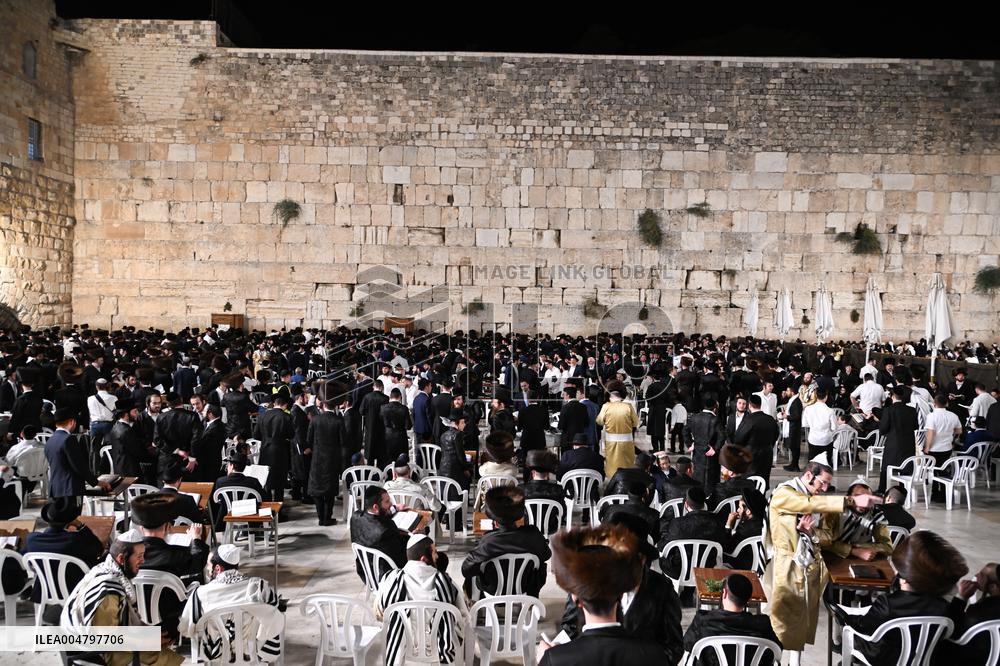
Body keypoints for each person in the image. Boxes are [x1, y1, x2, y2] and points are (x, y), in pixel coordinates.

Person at [767, 456, 881, 665]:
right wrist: (851, 501)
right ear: (808, 475)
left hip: (809, 563)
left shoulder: (815, 497)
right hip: (786, 565)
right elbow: (807, 504)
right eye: (823, 482)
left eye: (828, 484)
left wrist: (811, 533)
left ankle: (795, 662)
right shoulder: (785, 493)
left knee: (802, 620)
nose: (825, 488)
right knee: (782, 619)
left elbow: (825, 536)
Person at [559, 513, 683, 665]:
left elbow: (674, 647)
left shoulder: (662, 589)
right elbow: (570, 627)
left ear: (641, 558)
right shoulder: (589, 578)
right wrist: (559, 649)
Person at [537, 524, 665, 666]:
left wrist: (547, 658)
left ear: (575, 598)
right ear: (621, 595)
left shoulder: (555, 659)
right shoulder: (653, 655)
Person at [833, 531, 967, 665]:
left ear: (903, 579)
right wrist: (962, 598)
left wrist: (843, 615)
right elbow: (955, 625)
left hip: (886, 658)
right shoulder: (942, 605)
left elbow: (863, 627)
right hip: (925, 658)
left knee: (853, 636)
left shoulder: (888, 603)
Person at [61, 528, 183, 666]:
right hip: (92, 654)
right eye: (139, 556)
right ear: (121, 558)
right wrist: (148, 640)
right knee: (166, 659)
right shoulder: (108, 591)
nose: (143, 560)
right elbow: (106, 638)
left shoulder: (102, 569)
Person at [177, 545, 281, 664]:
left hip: (217, 656)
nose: (207, 568)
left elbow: (185, 629)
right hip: (251, 652)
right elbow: (275, 614)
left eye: (208, 565)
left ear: (218, 568)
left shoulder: (201, 593)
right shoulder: (259, 586)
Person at [376, 534, 468, 666]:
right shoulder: (446, 582)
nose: (437, 556)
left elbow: (380, 613)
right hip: (439, 645)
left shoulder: (390, 580)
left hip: (403, 644)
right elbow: (464, 616)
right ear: (423, 558)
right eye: (434, 552)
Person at [462, 485, 550, 598]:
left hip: (492, 590)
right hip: (525, 588)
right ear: (519, 517)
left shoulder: (488, 542)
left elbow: (466, 570)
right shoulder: (533, 535)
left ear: (495, 522)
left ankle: (474, 602)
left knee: (474, 570)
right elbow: (547, 555)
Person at [23, 500, 104, 621]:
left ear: (47, 520)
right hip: (76, 590)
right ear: (70, 522)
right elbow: (98, 549)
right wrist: (81, 526)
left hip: (45, 590)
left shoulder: (32, 540)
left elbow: (26, 561)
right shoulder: (75, 540)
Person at [683, 573, 781, 666]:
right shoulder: (762, 625)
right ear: (748, 599)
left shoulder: (703, 620)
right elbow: (777, 650)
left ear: (724, 593)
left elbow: (687, 645)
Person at [133, 492, 210, 586]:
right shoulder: (177, 555)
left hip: (137, 595)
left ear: (141, 528)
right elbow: (198, 562)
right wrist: (196, 538)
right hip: (170, 595)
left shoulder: (130, 556)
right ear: (167, 527)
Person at [656, 487, 731, 584]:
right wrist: (728, 526)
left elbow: (662, 546)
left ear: (686, 505)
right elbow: (725, 546)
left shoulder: (677, 524)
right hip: (708, 568)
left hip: (679, 570)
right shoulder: (717, 522)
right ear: (704, 504)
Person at [45, 407, 110, 513]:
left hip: (55, 487)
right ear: (72, 422)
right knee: (72, 519)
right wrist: (96, 482)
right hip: (70, 488)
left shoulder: (50, 440)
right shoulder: (69, 439)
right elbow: (78, 466)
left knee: (61, 519)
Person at [821, 480, 892, 561]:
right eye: (859, 497)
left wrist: (858, 547)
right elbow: (824, 542)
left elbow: (887, 547)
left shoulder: (876, 514)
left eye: (867, 498)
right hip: (832, 557)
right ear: (849, 497)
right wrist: (852, 551)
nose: (863, 502)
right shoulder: (833, 511)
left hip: (862, 558)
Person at [350, 485, 408, 582]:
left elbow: (377, 516)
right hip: (386, 577)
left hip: (366, 572)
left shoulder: (355, 517)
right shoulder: (386, 530)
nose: (391, 504)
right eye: (387, 502)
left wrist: (394, 508)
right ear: (375, 507)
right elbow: (401, 557)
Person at [307, 390, 349, 526]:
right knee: (330, 489)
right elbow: (343, 441)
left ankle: (321, 517)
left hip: (317, 458)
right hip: (332, 458)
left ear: (324, 405)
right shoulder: (339, 420)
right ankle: (327, 517)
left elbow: (309, 439)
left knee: (317, 488)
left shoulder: (315, 420)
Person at [946, 562, 1000, 663]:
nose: (976, 575)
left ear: (993, 587)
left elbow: (951, 630)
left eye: (981, 575)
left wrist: (961, 598)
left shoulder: (978, 611)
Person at [877, 385, 919, 492]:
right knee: (905, 467)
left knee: (886, 467)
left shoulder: (888, 410)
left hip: (893, 443)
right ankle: (903, 489)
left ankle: (882, 489)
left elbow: (883, 429)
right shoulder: (912, 410)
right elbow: (916, 426)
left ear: (892, 397)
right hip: (908, 444)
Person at [210, 453, 266, 533]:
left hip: (229, 514)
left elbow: (218, 500)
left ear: (232, 466)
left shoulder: (220, 481)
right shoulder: (253, 481)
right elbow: (263, 498)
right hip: (250, 515)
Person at [255, 394, 295, 503]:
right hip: (280, 451)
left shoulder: (262, 416)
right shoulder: (286, 417)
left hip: (265, 450)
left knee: (266, 478)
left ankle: (267, 505)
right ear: (285, 405)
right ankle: (279, 507)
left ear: (274, 403)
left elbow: (256, 435)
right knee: (280, 481)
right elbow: (291, 435)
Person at [732, 394, 779, 486]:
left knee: (749, 483)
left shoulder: (748, 420)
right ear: (760, 405)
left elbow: (738, 438)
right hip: (767, 454)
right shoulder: (770, 419)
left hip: (751, 455)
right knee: (763, 482)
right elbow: (776, 435)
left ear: (749, 405)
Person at [595, 383, 640, 478]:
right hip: (627, 441)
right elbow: (636, 423)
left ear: (610, 397)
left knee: (612, 464)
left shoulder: (606, 406)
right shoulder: (628, 406)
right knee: (627, 463)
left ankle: (613, 480)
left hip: (611, 442)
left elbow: (599, 421)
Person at [924, 393, 962, 501]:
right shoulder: (953, 416)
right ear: (947, 403)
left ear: (934, 404)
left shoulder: (931, 416)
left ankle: (935, 493)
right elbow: (959, 431)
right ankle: (945, 493)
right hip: (946, 448)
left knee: (933, 470)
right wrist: (949, 432)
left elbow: (930, 433)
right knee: (944, 470)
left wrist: (927, 447)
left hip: (934, 448)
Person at [685, 397, 724, 495]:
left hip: (697, 452)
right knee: (710, 480)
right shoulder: (715, 420)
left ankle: (698, 497)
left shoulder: (694, 417)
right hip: (710, 454)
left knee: (698, 476)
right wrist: (715, 448)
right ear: (715, 408)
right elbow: (722, 436)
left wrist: (690, 444)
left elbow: (685, 431)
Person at [801, 388, 837, 464]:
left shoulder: (808, 409)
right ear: (826, 397)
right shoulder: (830, 411)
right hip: (826, 439)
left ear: (816, 396)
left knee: (813, 461)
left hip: (813, 438)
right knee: (826, 462)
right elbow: (834, 427)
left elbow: (805, 424)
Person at [380, 388, 412, 463]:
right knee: (402, 461)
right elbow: (408, 426)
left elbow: (380, 422)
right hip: (401, 438)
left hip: (387, 437)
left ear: (390, 396)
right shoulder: (404, 408)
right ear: (400, 396)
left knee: (388, 461)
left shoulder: (383, 408)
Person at [558, 385, 590, 453]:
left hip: (567, 439)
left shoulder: (565, 407)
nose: (563, 396)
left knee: (567, 457)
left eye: (564, 394)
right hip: (580, 438)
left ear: (568, 395)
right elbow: (586, 423)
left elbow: (561, 425)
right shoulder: (583, 407)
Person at [780, 385, 804, 472]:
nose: (786, 392)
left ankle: (795, 466)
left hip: (794, 428)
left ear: (792, 392)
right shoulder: (793, 400)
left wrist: (787, 417)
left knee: (795, 447)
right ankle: (793, 464)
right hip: (793, 427)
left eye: (787, 391)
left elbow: (797, 416)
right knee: (793, 447)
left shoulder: (796, 402)